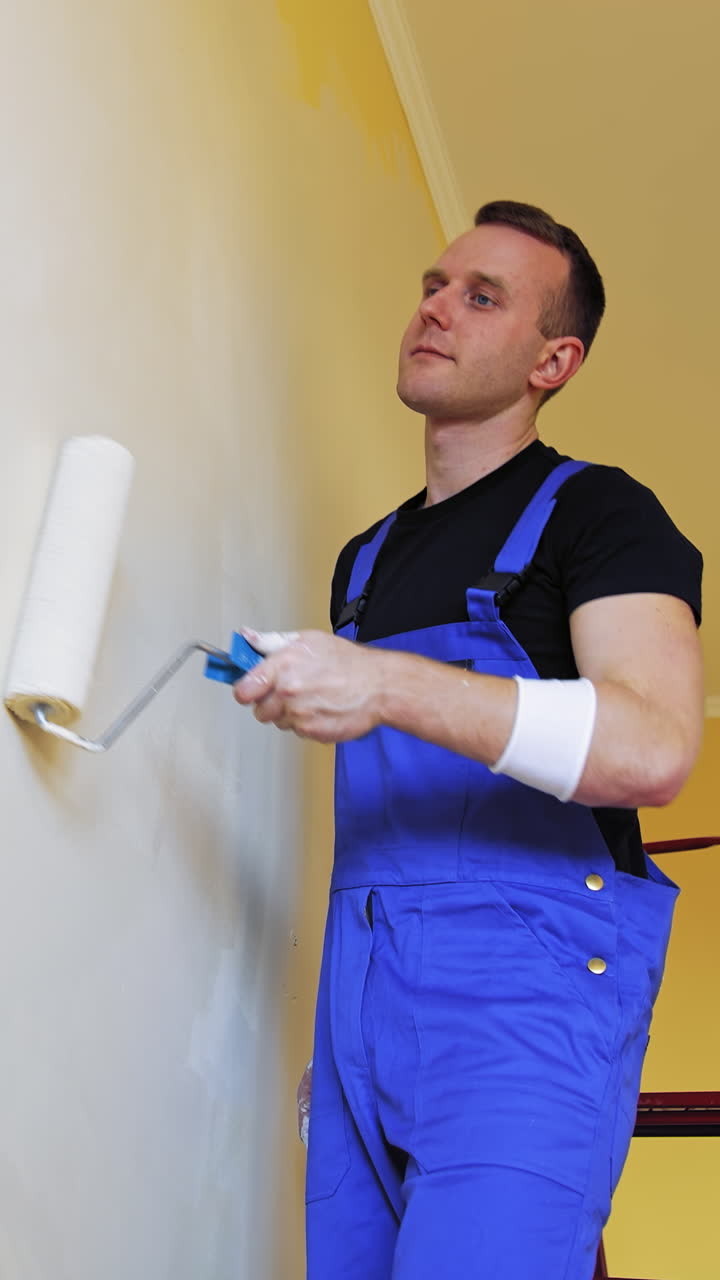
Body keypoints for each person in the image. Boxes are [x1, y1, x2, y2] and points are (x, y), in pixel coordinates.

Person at [233, 201, 703, 1279]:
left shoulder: (599, 514)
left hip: (523, 1009)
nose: (436, 308)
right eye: (434, 285)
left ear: (556, 359)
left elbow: (656, 746)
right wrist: (363, 1029)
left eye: (481, 296)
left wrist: (384, 679)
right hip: (364, 998)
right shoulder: (367, 557)